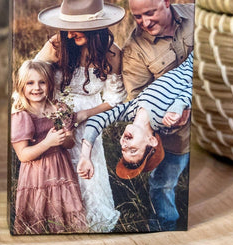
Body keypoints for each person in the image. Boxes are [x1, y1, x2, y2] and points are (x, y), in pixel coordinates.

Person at [34, 0, 127, 232]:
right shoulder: (57, 44)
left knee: (87, 175)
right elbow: (30, 78)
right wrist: (53, 109)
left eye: (76, 27)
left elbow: (115, 98)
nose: (69, 32)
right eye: (67, 25)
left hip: (89, 116)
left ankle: (91, 222)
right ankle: (60, 221)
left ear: (97, 28)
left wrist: (86, 114)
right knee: (56, 169)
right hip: (53, 113)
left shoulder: (112, 53)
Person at [121, 0, 194, 231]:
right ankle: (166, 231)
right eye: (138, 16)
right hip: (175, 137)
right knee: (163, 184)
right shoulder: (134, 50)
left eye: (150, 13)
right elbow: (139, 100)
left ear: (166, 0)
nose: (144, 22)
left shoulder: (195, 15)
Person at [76, 52, 193, 189]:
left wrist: (85, 155)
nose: (125, 146)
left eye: (123, 150)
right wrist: (180, 105)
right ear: (152, 141)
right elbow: (191, 86)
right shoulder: (164, 119)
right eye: (133, 150)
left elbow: (97, 120)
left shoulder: (130, 111)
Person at [10, 60, 88, 234]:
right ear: (22, 86)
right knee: (39, 214)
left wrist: (64, 136)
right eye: (30, 83)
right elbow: (23, 155)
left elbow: (70, 143)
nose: (36, 88)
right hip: (36, 175)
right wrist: (48, 142)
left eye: (42, 82)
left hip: (61, 170)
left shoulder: (59, 108)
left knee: (66, 212)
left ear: (50, 84)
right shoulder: (21, 115)